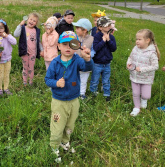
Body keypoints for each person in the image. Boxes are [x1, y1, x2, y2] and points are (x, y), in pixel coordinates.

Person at [45, 31, 93, 162]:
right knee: (57, 124)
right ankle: (54, 146)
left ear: (77, 46)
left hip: (74, 100)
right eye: (65, 44)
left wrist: (87, 58)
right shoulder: (55, 63)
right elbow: (47, 79)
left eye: (72, 45)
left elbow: (87, 68)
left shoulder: (77, 60)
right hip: (58, 101)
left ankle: (65, 142)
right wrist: (56, 83)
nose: (68, 48)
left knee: (70, 124)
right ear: (59, 46)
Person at [127, 29, 160, 116]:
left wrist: (142, 69)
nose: (137, 41)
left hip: (146, 78)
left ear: (147, 40)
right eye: (136, 39)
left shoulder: (152, 53)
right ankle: (136, 107)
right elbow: (130, 57)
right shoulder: (135, 48)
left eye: (139, 39)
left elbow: (155, 66)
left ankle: (144, 100)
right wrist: (129, 63)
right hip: (135, 76)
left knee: (146, 95)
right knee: (135, 93)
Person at [90, 16, 117, 101]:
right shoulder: (97, 36)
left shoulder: (111, 37)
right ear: (100, 27)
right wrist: (103, 41)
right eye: (106, 25)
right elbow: (96, 48)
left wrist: (108, 40)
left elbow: (113, 49)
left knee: (106, 80)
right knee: (95, 79)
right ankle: (93, 93)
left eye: (109, 25)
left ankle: (106, 94)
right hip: (97, 63)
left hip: (107, 63)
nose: (109, 27)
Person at [14, 12, 42, 86]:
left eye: (34, 21)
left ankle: (31, 81)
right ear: (27, 19)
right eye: (31, 19)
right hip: (24, 52)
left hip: (33, 52)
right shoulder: (23, 28)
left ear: (36, 23)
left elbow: (38, 41)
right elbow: (15, 34)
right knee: (25, 67)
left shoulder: (36, 30)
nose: (32, 21)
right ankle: (25, 81)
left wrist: (41, 50)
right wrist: (20, 25)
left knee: (31, 67)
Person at [0, 18, 17, 95]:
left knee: (6, 75)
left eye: (1, 27)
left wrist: (7, 36)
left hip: (7, 60)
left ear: (5, 28)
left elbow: (14, 42)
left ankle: (6, 88)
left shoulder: (8, 37)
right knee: (0, 76)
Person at [73, 18, 94, 99]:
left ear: (85, 30)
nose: (76, 30)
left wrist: (89, 54)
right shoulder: (74, 37)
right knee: (74, 77)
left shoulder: (92, 39)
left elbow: (93, 50)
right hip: (75, 62)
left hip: (85, 63)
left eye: (78, 28)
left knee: (84, 79)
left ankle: (82, 93)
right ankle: (74, 91)